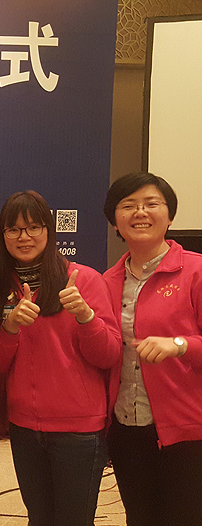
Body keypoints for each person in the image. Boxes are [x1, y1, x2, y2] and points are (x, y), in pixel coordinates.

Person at [0, 191, 120, 525]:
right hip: (24, 427)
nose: (24, 237)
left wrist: (86, 316)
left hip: (78, 430)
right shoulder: (0, 287)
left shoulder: (83, 280)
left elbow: (109, 355)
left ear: (49, 230)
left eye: (33, 227)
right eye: (13, 230)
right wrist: (10, 328)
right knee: (39, 518)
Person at [102, 172, 202, 525]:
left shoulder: (196, 271)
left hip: (187, 428)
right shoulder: (107, 281)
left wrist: (180, 345)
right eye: (128, 205)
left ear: (169, 215)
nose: (140, 212)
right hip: (127, 426)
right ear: (115, 220)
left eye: (151, 204)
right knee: (140, 517)